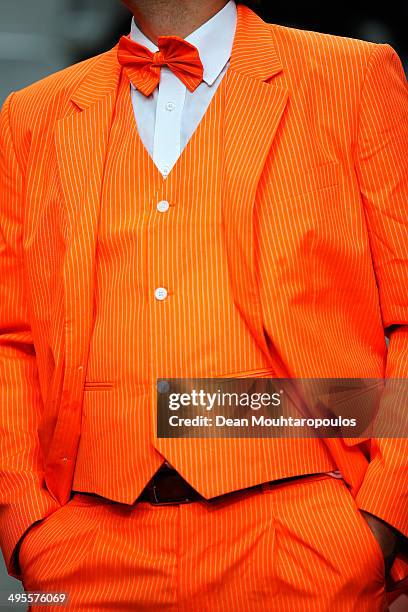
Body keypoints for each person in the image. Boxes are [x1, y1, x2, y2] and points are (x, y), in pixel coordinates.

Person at [0, 1, 407, 610]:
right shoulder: (33, 115)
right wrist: (27, 523)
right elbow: (12, 339)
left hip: (305, 545)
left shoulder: (352, 76)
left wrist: (380, 514)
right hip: (86, 555)